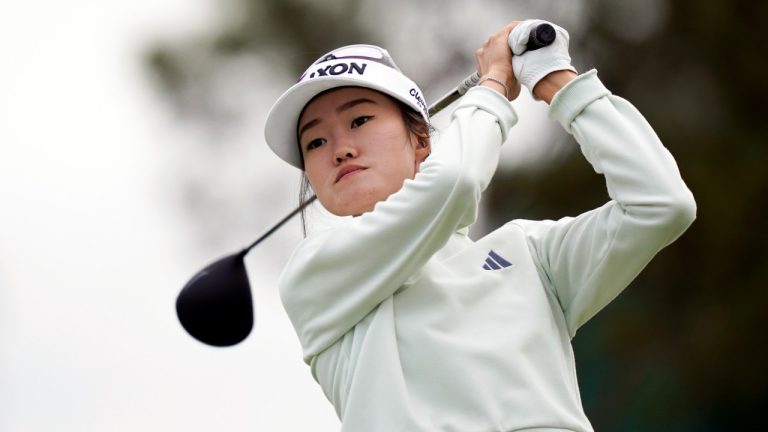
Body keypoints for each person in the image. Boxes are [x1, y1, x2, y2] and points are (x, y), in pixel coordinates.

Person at [263, 19, 696, 432]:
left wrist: (558, 81)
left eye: (359, 120)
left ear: (421, 140)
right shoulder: (314, 275)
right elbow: (454, 182)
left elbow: (660, 203)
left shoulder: (529, 253)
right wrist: (493, 86)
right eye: (315, 142)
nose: (339, 149)